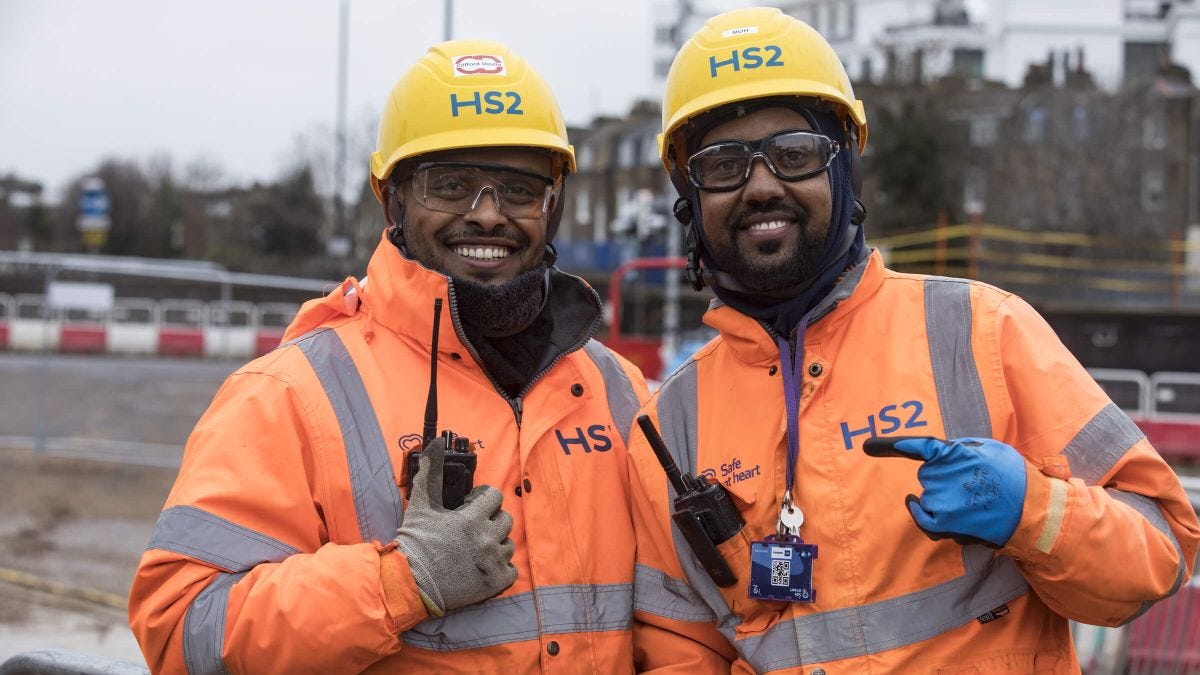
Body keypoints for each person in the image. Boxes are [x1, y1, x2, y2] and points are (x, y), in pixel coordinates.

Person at [628, 7, 1200, 673]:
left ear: (845, 170)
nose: (761, 185)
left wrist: (1034, 511)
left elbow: (1162, 551)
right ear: (688, 196)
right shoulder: (670, 425)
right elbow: (679, 653)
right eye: (723, 164)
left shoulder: (984, 332)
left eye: (794, 153)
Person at [128, 40, 649, 673]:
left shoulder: (620, 391)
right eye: (450, 186)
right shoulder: (294, 392)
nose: (487, 214)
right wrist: (402, 583)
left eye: (518, 189)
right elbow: (182, 629)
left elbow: (682, 627)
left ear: (552, 203)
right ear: (393, 199)